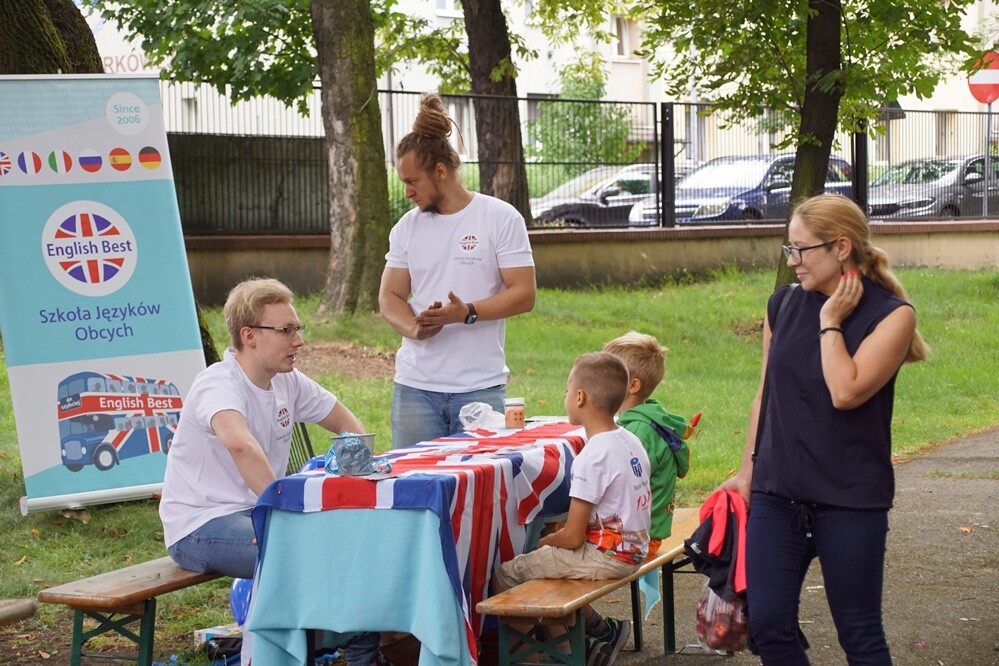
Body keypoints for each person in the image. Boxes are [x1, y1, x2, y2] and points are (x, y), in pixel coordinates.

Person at [720, 194, 928, 665]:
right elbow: (765, 396)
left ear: (840, 247)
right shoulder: (782, 305)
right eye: (788, 249)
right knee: (770, 626)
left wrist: (830, 321)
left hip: (849, 498)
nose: (792, 261)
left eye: (801, 249)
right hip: (778, 492)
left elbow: (845, 390)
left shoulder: (894, 315)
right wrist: (747, 473)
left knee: (859, 633)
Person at [159, 277, 382, 666]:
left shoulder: (287, 381)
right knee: (299, 552)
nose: (299, 340)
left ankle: (359, 653)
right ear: (249, 335)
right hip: (199, 526)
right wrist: (284, 509)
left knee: (350, 544)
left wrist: (358, 459)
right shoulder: (217, 382)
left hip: (254, 518)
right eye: (286, 330)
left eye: (298, 328)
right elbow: (239, 443)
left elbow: (349, 423)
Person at [378, 92, 536, 448]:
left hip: (479, 388)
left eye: (412, 182)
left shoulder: (499, 217)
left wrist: (466, 313)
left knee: (479, 496)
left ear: (440, 171)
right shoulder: (406, 227)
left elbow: (524, 293)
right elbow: (389, 296)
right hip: (415, 389)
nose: (406, 192)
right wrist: (415, 330)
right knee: (414, 489)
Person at [491, 352, 652, 666]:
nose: (565, 397)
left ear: (580, 397)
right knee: (546, 567)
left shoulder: (592, 455)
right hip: (634, 548)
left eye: (566, 391)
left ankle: (534, 658)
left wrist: (544, 542)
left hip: (607, 555)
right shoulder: (629, 439)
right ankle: (576, 649)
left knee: (506, 575)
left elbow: (574, 537)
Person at [602, 331, 691, 552]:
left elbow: (617, 485)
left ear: (632, 386)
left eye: (605, 375)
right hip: (647, 529)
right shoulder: (649, 417)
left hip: (638, 537)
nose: (597, 381)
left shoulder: (637, 433)